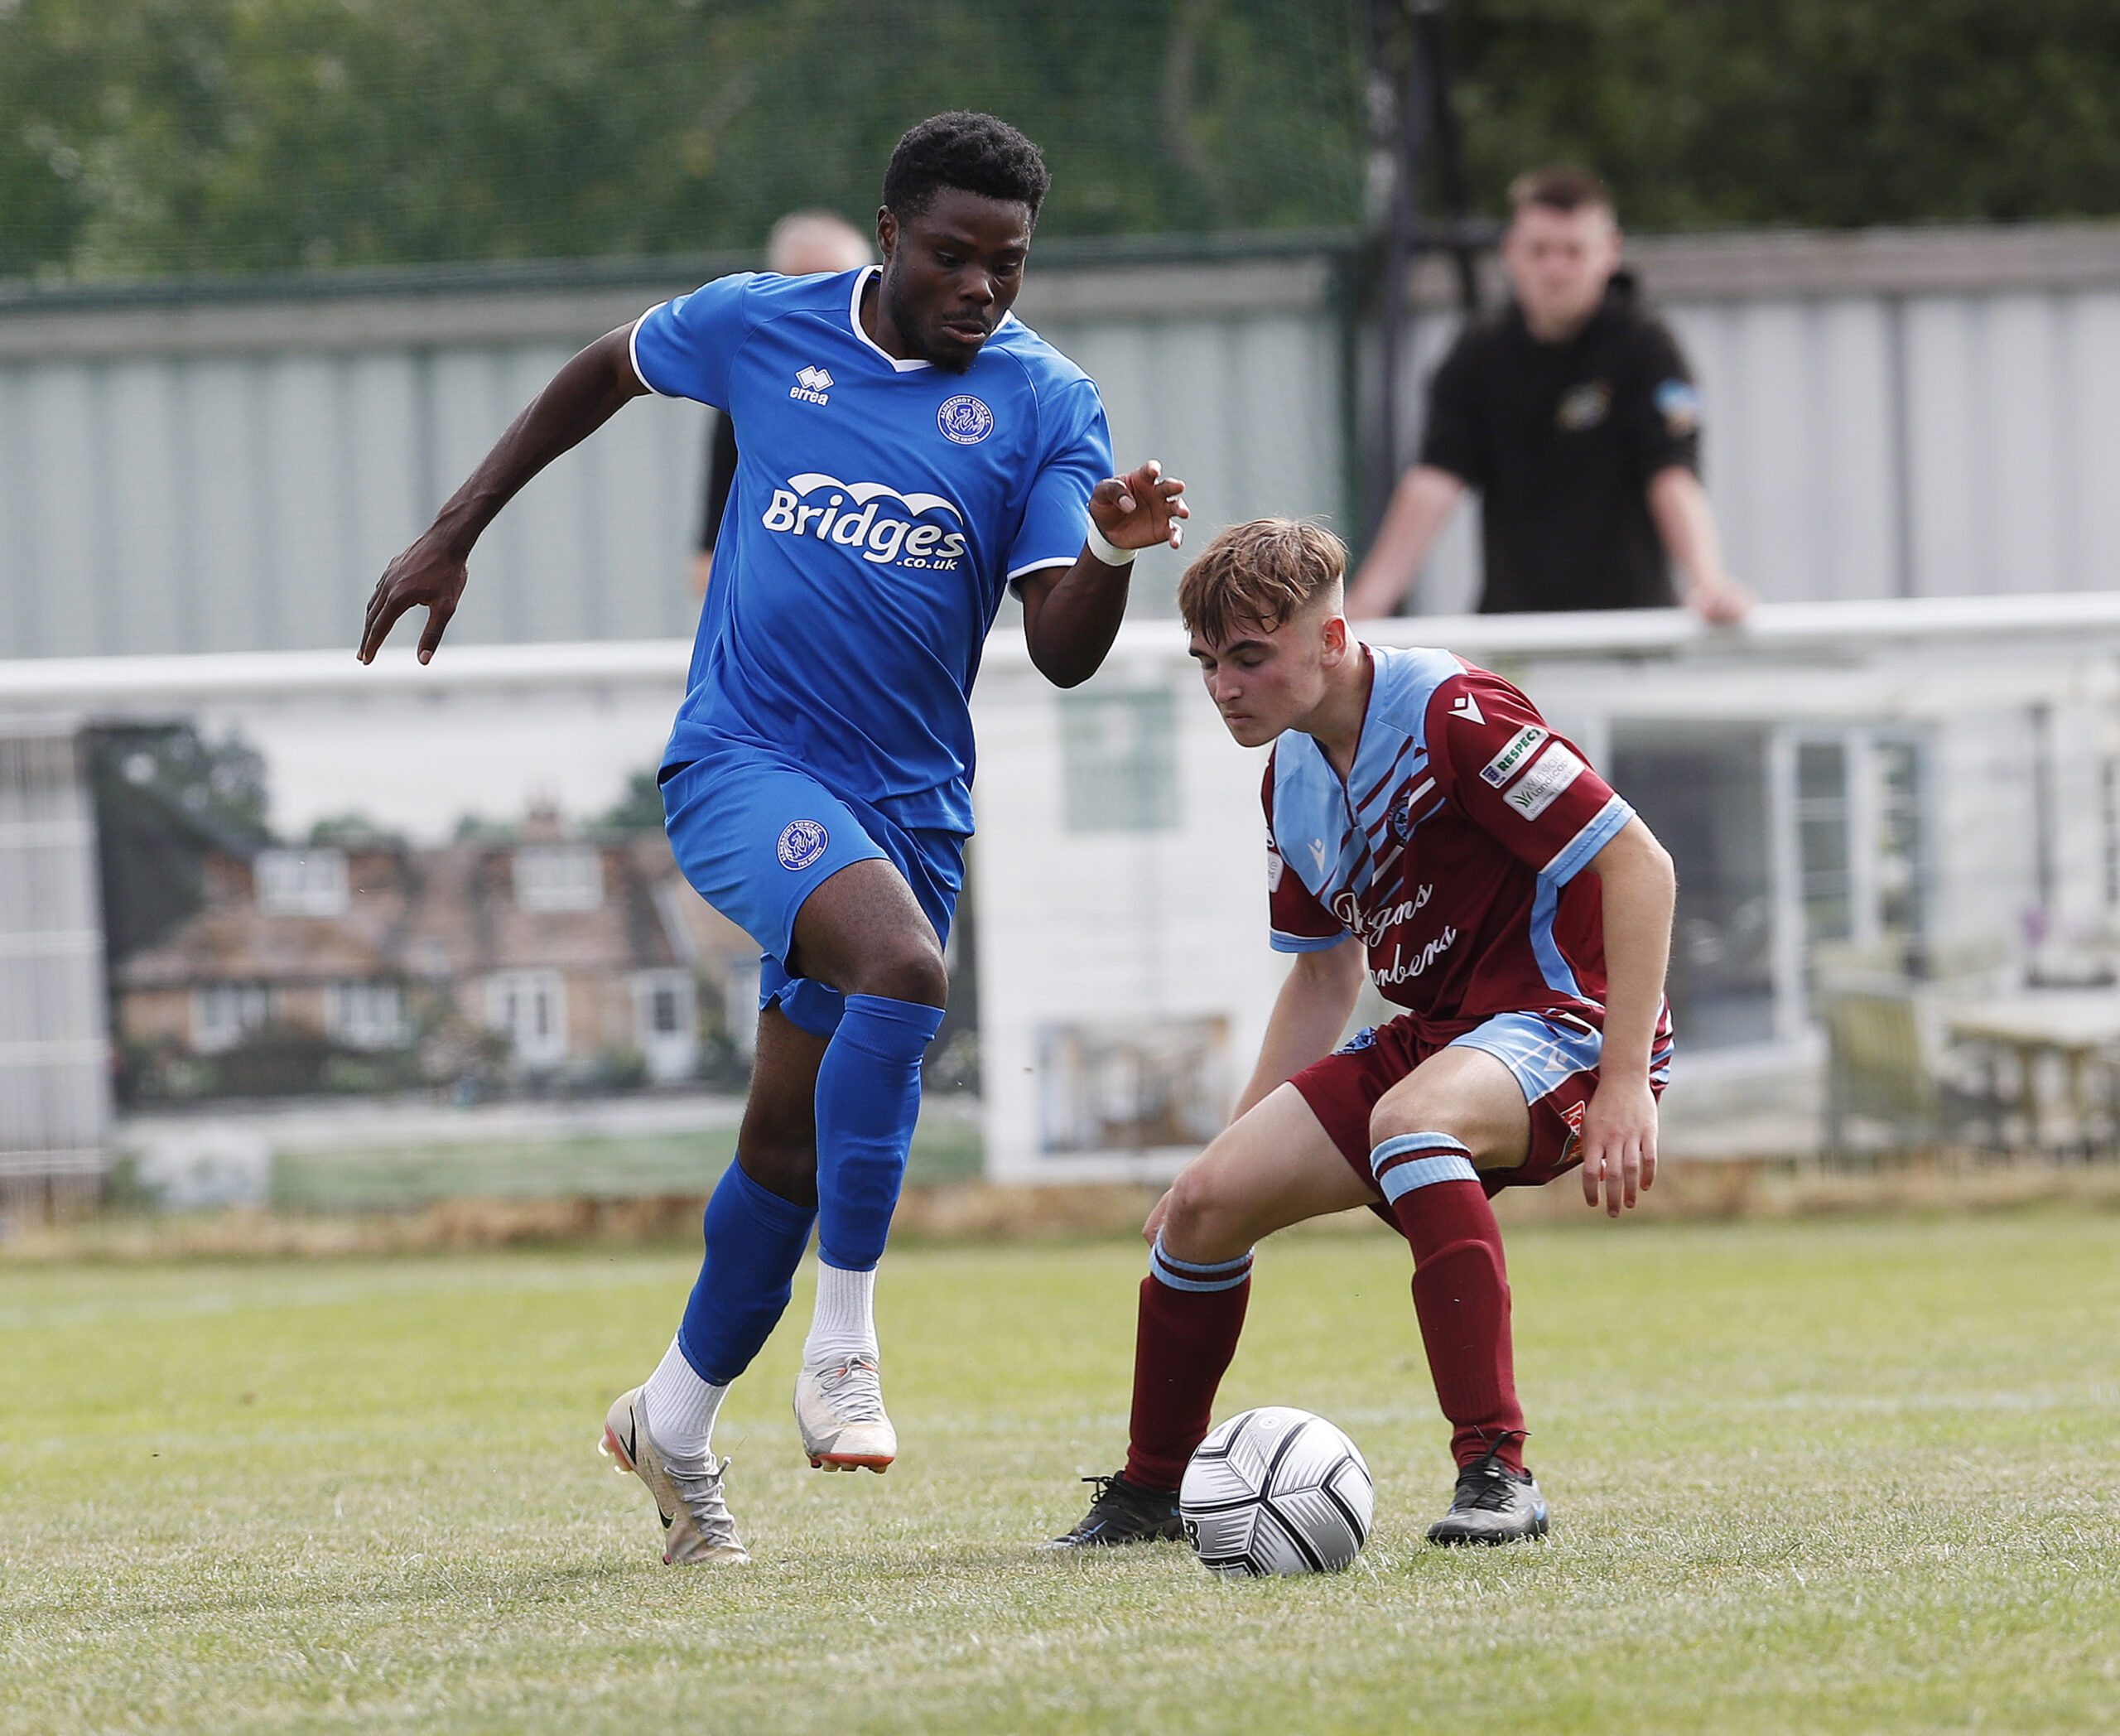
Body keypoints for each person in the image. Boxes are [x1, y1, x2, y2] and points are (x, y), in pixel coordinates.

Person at [359, 112, 1188, 1566]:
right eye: (952, 255)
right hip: (742, 765)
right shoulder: (760, 328)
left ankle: (669, 1422)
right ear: (887, 235)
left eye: (1007, 264)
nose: (981, 288)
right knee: (908, 973)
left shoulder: (1048, 403)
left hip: (909, 804)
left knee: (787, 1143)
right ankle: (846, 1345)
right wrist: (454, 528)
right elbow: (601, 371)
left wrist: (1113, 548)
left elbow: (1060, 648)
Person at [1047, 518, 1674, 1550]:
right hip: (1444, 1037)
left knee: (1411, 1123)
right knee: (1201, 1208)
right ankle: (1152, 1492)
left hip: (1570, 1023)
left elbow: (1638, 864)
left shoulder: (1451, 711)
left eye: (1250, 657)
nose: (1224, 687)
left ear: (1330, 638)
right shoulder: (1286, 776)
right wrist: (1225, 1150)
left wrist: (1623, 1084)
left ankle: (1496, 1474)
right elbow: (1324, 971)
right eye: (1207, 663)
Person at [1347, 166, 1751, 624]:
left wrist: (1709, 583)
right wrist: (1365, 608)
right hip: (1518, 634)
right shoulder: (1479, 352)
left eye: (1573, 251)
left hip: (1633, 633)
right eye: (1539, 251)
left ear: (1610, 252)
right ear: (1510, 253)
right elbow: (1434, 480)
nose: (1555, 269)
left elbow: (1673, 474)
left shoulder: (1647, 349)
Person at [691, 211, 876, 599]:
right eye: (808, 284)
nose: (827, 304)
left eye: (841, 284)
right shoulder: (753, 381)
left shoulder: (899, 385)